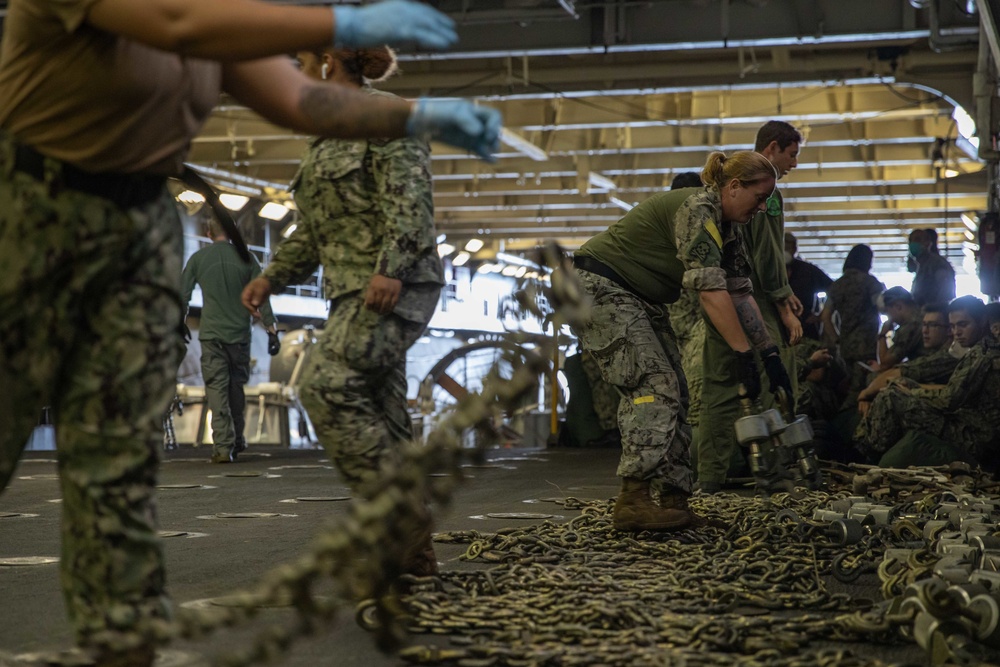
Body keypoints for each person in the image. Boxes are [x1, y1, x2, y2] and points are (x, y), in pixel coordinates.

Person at [0, 1, 502, 664]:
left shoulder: (220, 20)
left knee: (114, 482)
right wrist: (340, 25)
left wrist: (416, 117)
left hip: (139, 230)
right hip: (33, 215)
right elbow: (176, 22)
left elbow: (299, 100)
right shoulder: (188, 16)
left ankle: (121, 647)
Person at [242, 46, 446, 578]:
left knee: (325, 384)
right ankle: (411, 556)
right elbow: (313, 228)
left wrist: (392, 268)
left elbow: (411, 204)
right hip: (351, 291)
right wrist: (271, 276)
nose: (296, 74)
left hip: (392, 286)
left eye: (303, 63)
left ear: (329, 61)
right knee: (384, 415)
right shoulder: (328, 131)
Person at [571, 150, 791, 531]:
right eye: (759, 197)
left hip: (640, 298)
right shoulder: (697, 210)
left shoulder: (728, 229)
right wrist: (741, 353)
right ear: (735, 186)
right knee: (655, 387)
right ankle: (634, 499)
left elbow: (739, 293)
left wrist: (769, 354)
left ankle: (675, 500)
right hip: (600, 289)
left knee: (679, 393)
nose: (762, 208)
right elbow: (710, 292)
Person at [696, 121, 803, 494]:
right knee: (770, 380)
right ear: (773, 147)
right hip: (751, 296)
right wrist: (783, 302)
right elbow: (769, 255)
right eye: (792, 155)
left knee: (720, 384)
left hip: (720, 294)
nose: (793, 164)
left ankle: (710, 475)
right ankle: (773, 472)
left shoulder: (721, 188)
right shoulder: (767, 191)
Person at [857, 296, 999, 469]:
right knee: (896, 392)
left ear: (983, 321)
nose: (957, 332)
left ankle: (866, 456)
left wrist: (911, 392)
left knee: (892, 396)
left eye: (963, 325)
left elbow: (948, 400)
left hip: (976, 438)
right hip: (975, 429)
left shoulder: (982, 354)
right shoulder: (985, 349)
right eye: (953, 326)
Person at [181, 218, 279, 464]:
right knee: (236, 389)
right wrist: (272, 329)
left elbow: (182, 295)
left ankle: (224, 448)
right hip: (240, 337)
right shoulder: (247, 259)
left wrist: (178, 322)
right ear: (233, 231)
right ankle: (236, 441)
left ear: (208, 232)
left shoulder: (198, 259)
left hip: (212, 336)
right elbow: (262, 295)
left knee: (216, 389)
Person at [665, 171, 706, 463]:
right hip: (683, 332)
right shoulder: (696, 230)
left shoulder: (660, 228)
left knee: (685, 402)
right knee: (688, 402)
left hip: (681, 331)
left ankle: (682, 462)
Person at [857, 302, 958, 411]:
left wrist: (864, 395)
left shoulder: (949, 355)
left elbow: (893, 369)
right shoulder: (937, 351)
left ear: (949, 330)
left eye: (932, 325)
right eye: (924, 325)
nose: (925, 330)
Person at [820, 245, 886, 402]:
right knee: (864, 390)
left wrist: (837, 339)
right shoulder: (870, 283)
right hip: (867, 346)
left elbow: (825, 316)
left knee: (849, 384)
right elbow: (882, 307)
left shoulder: (837, 285)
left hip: (845, 347)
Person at [784, 231, 833, 341]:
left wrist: (822, 315)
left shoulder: (808, 271)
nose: (786, 251)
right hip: (777, 327)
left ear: (795, 249)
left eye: (789, 247)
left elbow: (833, 289)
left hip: (804, 329)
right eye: (783, 247)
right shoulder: (769, 270)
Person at [873, 286, 924, 371]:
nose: (890, 319)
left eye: (887, 312)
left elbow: (885, 363)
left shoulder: (910, 327)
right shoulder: (923, 315)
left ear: (898, 306)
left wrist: (882, 335)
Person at [909, 228, 956, 307]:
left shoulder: (937, 263)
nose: (913, 243)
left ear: (928, 243)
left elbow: (945, 291)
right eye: (911, 241)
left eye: (917, 240)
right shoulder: (921, 265)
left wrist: (937, 311)